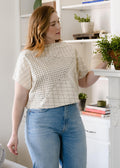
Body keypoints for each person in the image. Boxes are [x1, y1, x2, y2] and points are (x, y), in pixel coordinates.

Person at [7, 5, 107, 168]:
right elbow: (19, 98)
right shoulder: (27, 56)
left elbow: (84, 81)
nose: (59, 27)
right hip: (41, 121)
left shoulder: (69, 49)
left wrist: (104, 62)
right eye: (53, 24)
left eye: (58, 22)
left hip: (73, 117)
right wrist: (14, 134)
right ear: (40, 26)